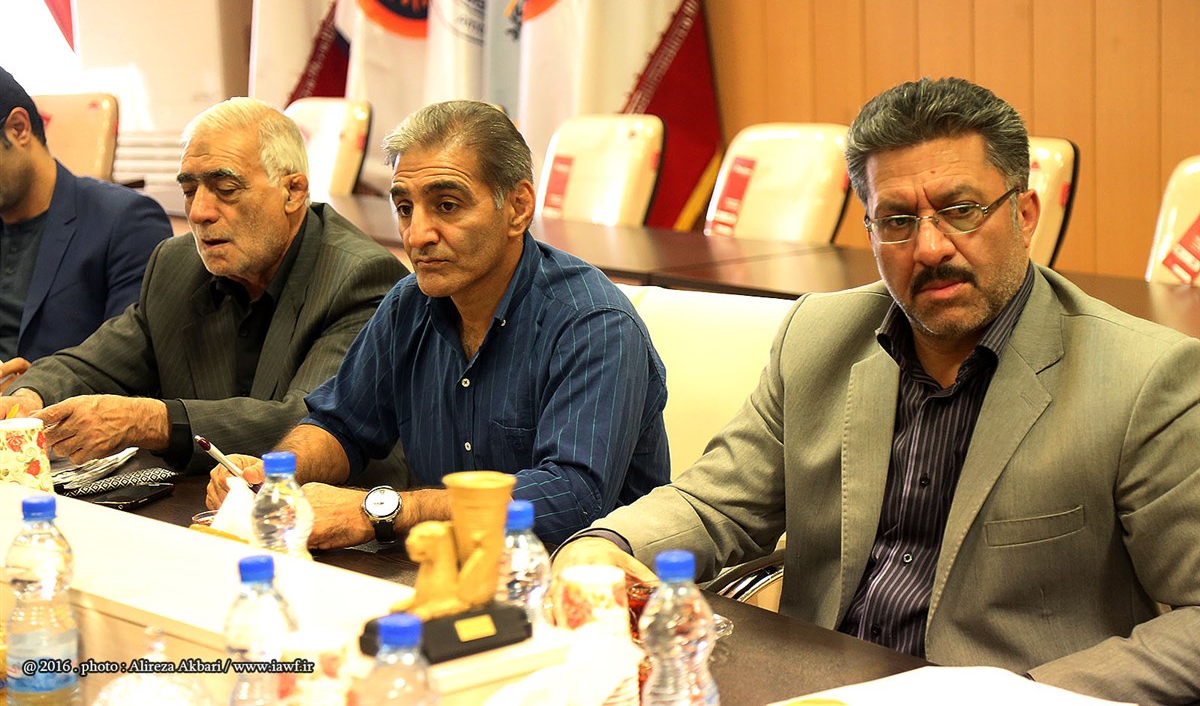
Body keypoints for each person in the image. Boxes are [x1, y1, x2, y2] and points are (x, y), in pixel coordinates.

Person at [553, 78, 1200, 705]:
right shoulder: (818, 337)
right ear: (868, 230)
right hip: (817, 689)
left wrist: (1021, 697)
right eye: (897, 220)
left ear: (1024, 215)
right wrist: (605, 546)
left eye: (961, 210)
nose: (931, 247)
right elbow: (713, 504)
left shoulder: (1143, 378)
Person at [206, 100, 670, 546]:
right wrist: (277, 474)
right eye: (405, 208)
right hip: (443, 569)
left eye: (447, 205)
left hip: (581, 578)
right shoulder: (408, 304)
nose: (417, 235)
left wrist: (380, 511)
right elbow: (342, 425)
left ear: (518, 207)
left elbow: (570, 498)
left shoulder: (593, 324)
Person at [0, 97, 406, 472]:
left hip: (324, 511)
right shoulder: (177, 264)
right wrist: (28, 397)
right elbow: (93, 364)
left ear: (293, 191)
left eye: (226, 190)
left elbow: (312, 425)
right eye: (189, 190)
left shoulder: (359, 277)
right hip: (205, 501)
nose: (199, 212)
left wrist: (153, 420)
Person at [0, 65, 171, 386]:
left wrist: (31, 390)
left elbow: (132, 362)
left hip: (55, 408)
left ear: (18, 129)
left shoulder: (124, 221)